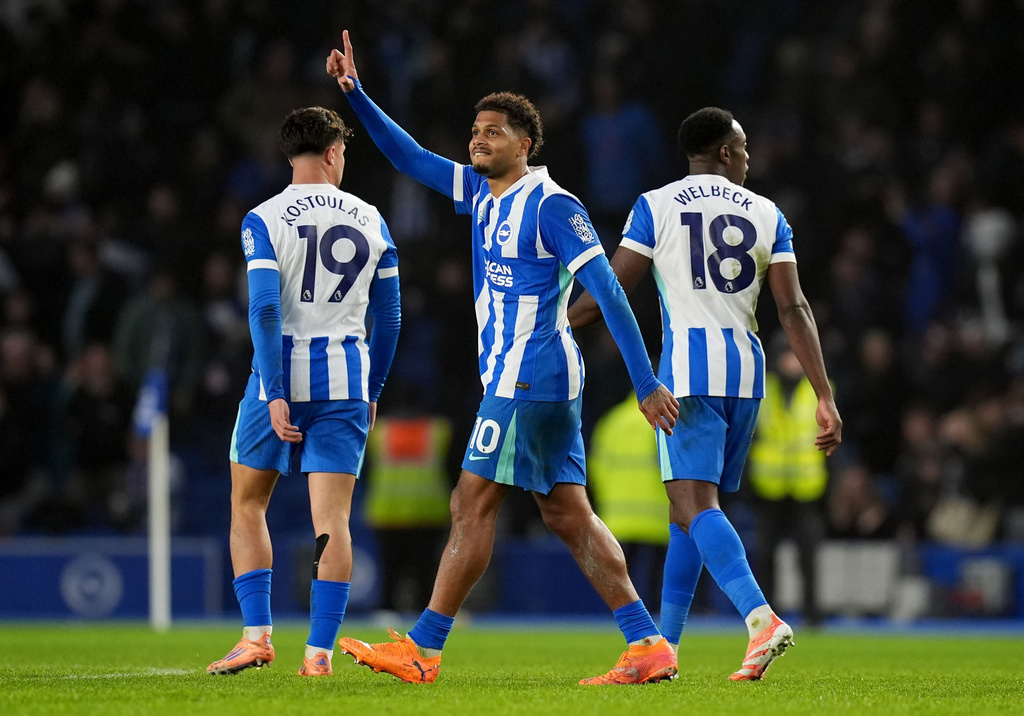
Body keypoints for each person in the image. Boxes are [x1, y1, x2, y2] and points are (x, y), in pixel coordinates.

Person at [326, 31, 680, 686]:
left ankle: (424, 648)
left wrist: (645, 380)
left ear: (525, 144)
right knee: (567, 513)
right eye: (474, 132)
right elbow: (411, 158)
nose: (477, 141)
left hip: (530, 371)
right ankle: (647, 643)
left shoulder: (551, 206)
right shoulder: (482, 193)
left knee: (470, 501)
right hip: (528, 375)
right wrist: (359, 94)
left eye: (493, 133)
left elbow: (609, 291)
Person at [568, 107, 842, 681]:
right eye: (742, 148)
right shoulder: (768, 213)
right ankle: (662, 648)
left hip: (689, 374)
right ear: (723, 151)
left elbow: (611, 293)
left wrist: (553, 326)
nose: (748, 158)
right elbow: (793, 306)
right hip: (747, 375)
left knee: (696, 505)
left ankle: (760, 618)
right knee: (685, 511)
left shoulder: (657, 205)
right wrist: (823, 392)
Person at [206, 106, 402, 678]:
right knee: (333, 521)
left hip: (280, 373)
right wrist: (374, 389)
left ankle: (256, 637)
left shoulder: (262, 219)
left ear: (289, 153)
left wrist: (272, 390)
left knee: (248, 503)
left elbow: (265, 309)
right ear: (335, 151)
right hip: (345, 377)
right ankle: (317, 654)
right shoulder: (372, 218)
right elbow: (388, 318)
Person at [746, 341, 830, 625]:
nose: (791, 363)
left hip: (806, 489)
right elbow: (750, 433)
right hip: (768, 488)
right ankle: (768, 615)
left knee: (808, 555)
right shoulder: (763, 388)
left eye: (796, 356)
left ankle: (812, 614)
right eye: (787, 356)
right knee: (766, 554)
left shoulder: (818, 390)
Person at [587, 392, 670, 608]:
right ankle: (654, 626)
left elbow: (595, 469)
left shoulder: (612, 422)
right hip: (656, 516)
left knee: (621, 579)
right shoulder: (662, 420)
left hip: (618, 515)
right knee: (656, 580)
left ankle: (622, 619)